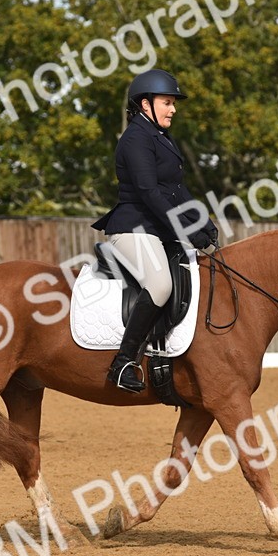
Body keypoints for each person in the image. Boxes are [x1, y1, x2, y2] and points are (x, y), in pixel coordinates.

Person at [91, 69, 219, 393]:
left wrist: (203, 223)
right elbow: (149, 192)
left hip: (155, 229)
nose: (173, 109)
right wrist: (185, 229)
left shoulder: (160, 137)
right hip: (133, 227)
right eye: (167, 102)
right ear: (145, 104)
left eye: (173, 103)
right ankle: (123, 362)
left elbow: (177, 190)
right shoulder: (135, 139)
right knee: (160, 284)